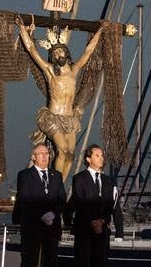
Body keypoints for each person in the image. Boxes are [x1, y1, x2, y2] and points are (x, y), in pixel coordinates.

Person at [18, 20, 108, 176]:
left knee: (70, 154)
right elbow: (32, 49)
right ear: (52, 57)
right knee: (62, 150)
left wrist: (99, 31)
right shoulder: (50, 71)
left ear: (67, 53)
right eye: (55, 53)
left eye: (61, 52)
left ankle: (61, 184)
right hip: (54, 118)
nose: (59, 55)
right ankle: (55, 183)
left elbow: (89, 51)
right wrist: (22, 29)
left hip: (70, 119)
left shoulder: (74, 70)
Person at [11, 141, 66, 267]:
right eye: (41, 154)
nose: (45, 156)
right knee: (30, 262)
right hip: (33, 226)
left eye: (47, 154)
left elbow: (61, 198)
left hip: (52, 227)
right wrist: (43, 215)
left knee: (51, 263)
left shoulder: (57, 176)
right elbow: (26, 199)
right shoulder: (25, 175)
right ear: (33, 157)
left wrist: (53, 214)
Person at [67, 143, 117, 267]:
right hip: (84, 228)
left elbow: (110, 203)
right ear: (88, 159)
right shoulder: (79, 178)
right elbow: (80, 201)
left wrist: (102, 221)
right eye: (97, 155)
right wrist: (92, 221)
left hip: (102, 229)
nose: (101, 158)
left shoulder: (108, 181)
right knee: (82, 263)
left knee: (100, 264)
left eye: (102, 155)